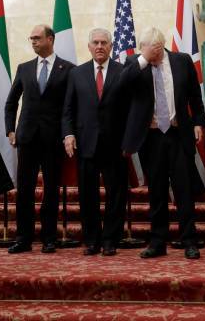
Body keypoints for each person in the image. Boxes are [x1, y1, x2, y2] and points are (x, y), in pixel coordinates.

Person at [120, 27, 205, 259]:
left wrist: (198, 122)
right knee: (156, 192)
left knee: (184, 191)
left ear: (162, 46)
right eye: (148, 51)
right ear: (142, 49)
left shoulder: (181, 61)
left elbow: (194, 95)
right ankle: (157, 241)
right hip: (151, 137)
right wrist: (143, 59)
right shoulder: (134, 63)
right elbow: (121, 85)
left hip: (179, 135)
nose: (154, 55)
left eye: (156, 51)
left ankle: (189, 240)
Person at [5, 25, 75, 254]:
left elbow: (70, 106)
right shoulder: (23, 68)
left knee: (51, 191)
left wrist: (68, 134)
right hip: (26, 138)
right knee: (24, 190)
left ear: (50, 39)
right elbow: (11, 102)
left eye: (37, 38)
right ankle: (23, 238)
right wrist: (10, 130)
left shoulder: (68, 69)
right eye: (31, 38)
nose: (33, 42)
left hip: (53, 139)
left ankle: (49, 238)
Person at [62, 28, 128, 256]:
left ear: (111, 46)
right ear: (89, 46)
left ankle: (111, 239)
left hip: (115, 145)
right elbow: (68, 109)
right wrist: (68, 134)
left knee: (116, 195)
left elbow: (130, 109)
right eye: (95, 43)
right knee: (87, 195)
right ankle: (92, 240)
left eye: (104, 42)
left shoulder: (123, 71)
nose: (100, 46)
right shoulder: (76, 74)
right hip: (85, 143)